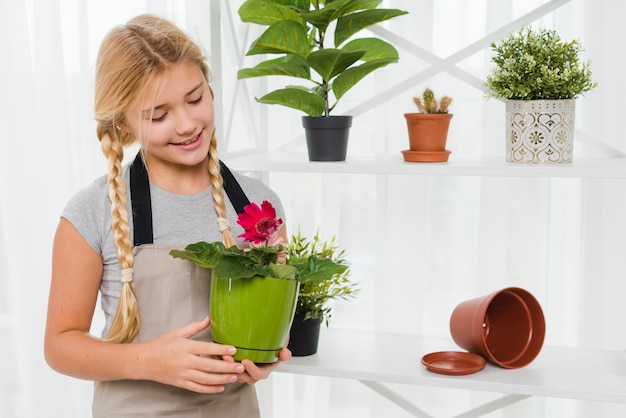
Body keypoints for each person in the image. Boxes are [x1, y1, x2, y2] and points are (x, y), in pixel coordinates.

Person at [44, 14, 290, 417]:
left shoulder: (258, 206)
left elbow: (271, 318)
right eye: (158, 115)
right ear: (123, 122)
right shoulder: (92, 211)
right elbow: (59, 345)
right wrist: (149, 361)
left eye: (195, 99)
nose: (188, 124)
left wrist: (265, 356)